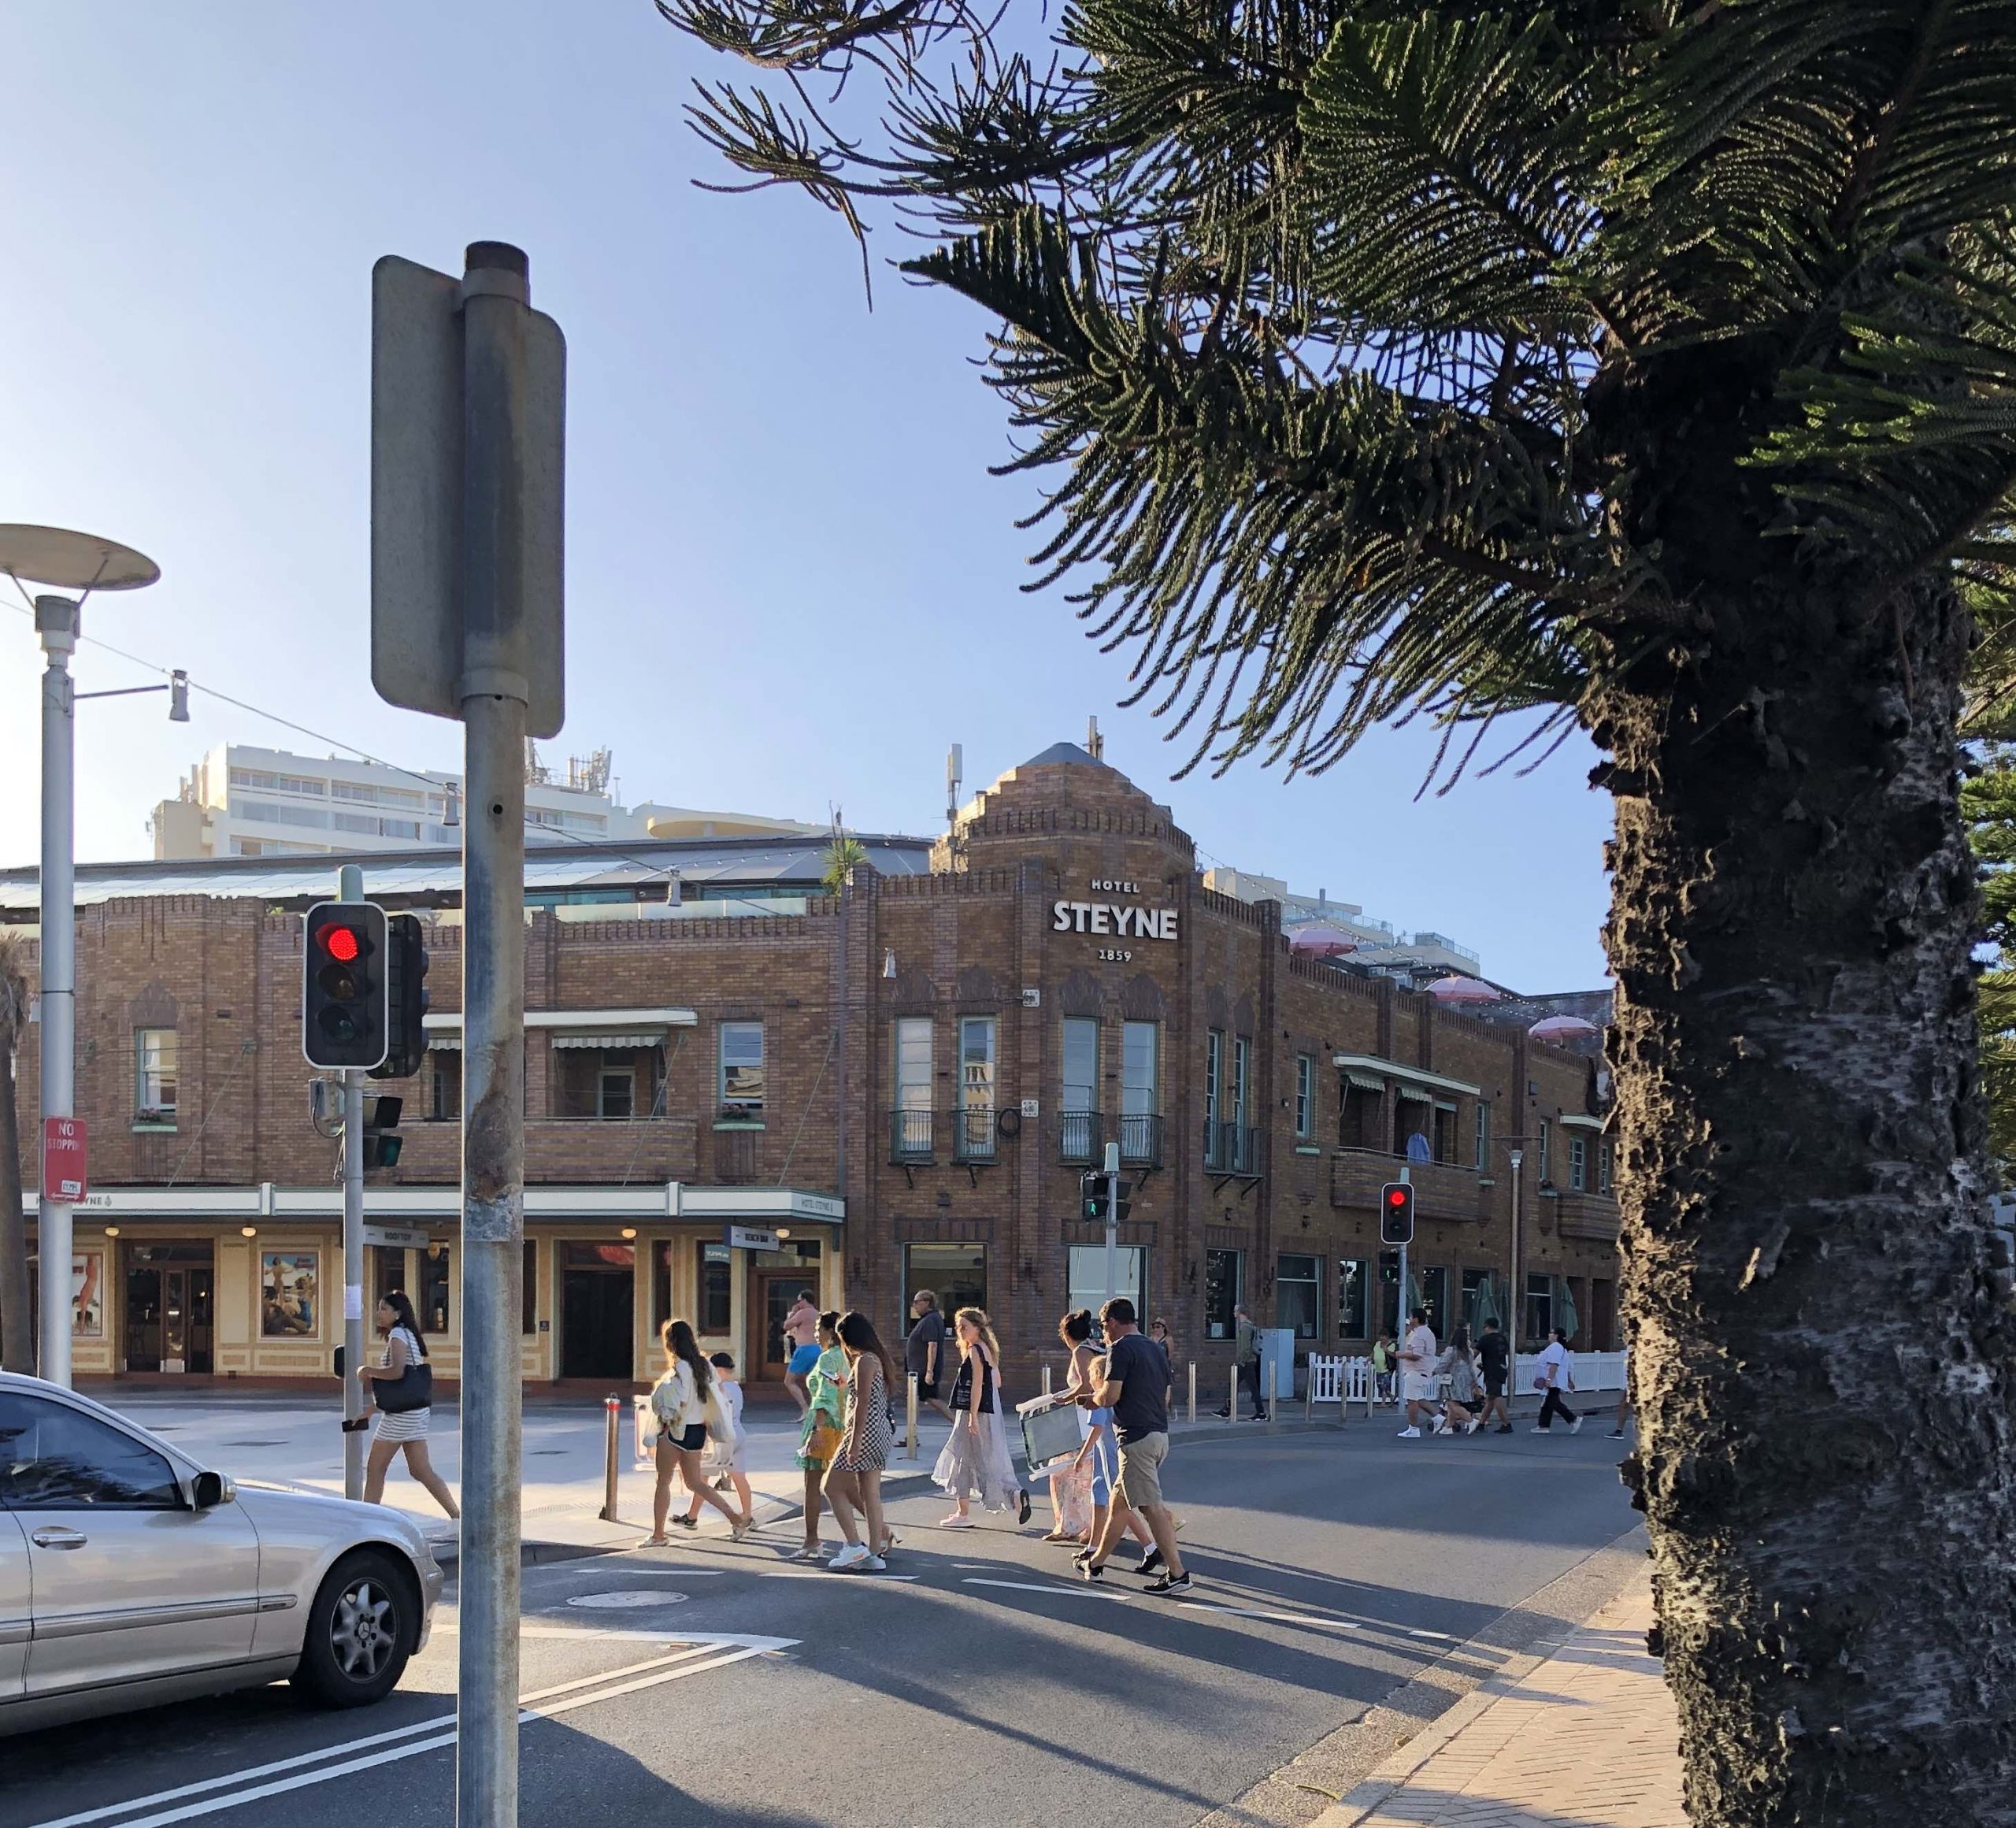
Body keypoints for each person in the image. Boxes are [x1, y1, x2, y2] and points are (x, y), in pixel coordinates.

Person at [1077, 1297, 1191, 1595]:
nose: (1103, 1333)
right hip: (1159, 1435)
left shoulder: (1121, 1348)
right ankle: (1096, 1563)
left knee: (1150, 1507)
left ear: (1113, 1322)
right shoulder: (1156, 1348)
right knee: (1118, 1506)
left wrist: (1093, 1399)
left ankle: (1178, 1574)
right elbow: (1165, 1396)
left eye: (1103, 1327)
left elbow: (1111, 1396)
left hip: (1136, 1438)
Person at [1054, 1309, 1155, 1560]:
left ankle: (1150, 1546)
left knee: (1118, 1499)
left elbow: (1097, 1427)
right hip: (1104, 1449)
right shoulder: (1097, 1349)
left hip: (1108, 1449)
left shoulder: (1099, 1397)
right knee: (1100, 1495)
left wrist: (1081, 1455)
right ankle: (1093, 1547)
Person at [644, 1318, 750, 1545]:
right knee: (696, 1482)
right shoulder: (705, 1365)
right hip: (698, 1430)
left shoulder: (680, 1367)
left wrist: (663, 1393)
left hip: (676, 1428)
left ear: (671, 1343)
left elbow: (678, 1401)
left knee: (663, 1481)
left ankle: (658, 1535)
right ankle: (736, 1519)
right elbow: (717, 1393)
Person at [355, 1291, 459, 1518]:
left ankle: (366, 1522)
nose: (379, 1313)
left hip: (401, 1415)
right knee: (421, 1469)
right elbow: (399, 1387)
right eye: (379, 1307)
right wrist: (373, 1409)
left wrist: (367, 1371)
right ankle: (458, 1517)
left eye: (384, 1309)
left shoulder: (398, 1335)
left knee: (376, 1468)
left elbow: (397, 1372)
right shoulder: (408, 1334)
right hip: (415, 1411)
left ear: (398, 1313)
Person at [933, 1307, 1032, 1526]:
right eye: (958, 1326)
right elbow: (997, 1381)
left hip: (974, 1411)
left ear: (977, 1328)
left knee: (963, 1456)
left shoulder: (975, 1351)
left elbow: (978, 1384)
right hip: (988, 1411)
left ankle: (963, 1513)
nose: (959, 1330)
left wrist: (973, 1417)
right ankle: (1013, 1495)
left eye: (964, 1326)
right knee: (984, 1456)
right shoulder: (987, 1349)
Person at [826, 1309, 897, 1569]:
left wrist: (854, 1443)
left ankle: (855, 1546)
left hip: (865, 1432)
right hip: (879, 1432)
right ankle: (875, 1554)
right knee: (870, 1494)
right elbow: (867, 1395)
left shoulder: (865, 1361)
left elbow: (862, 1404)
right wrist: (847, 1384)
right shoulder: (876, 1359)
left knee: (831, 1485)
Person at [786, 1311, 848, 1560]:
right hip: (843, 1425)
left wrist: (816, 1430)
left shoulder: (827, 1360)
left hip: (825, 1426)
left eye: (819, 1328)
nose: (815, 1333)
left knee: (813, 1485)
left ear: (830, 1332)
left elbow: (824, 1397)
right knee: (848, 1487)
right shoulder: (849, 1358)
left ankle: (812, 1539)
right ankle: (881, 1530)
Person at [686, 1352, 754, 1530]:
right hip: (739, 1434)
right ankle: (747, 1515)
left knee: (702, 1479)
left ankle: (692, 1517)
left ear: (718, 1369)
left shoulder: (718, 1389)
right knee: (739, 1476)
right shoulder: (736, 1387)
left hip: (723, 1438)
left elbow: (710, 1414)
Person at [905, 1289, 954, 1423]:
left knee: (932, 1398)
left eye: (917, 1302)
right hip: (918, 1371)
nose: (914, 1305)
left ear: (927, 1303)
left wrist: (929, 1371)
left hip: (924, 1370)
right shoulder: (927, 1319)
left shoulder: (930, 1320)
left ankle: (957, 1424)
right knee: (914, 1399)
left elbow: (932, 1345)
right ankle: (911, 1435)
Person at [1215, 1302, 1266, 1420]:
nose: (1234, 1313)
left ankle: (1260, 1412)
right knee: (1234, 1385)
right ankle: (1227, 1409)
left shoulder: (1245, 1327)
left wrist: (1241, 1361)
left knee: (1250, 1387)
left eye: (1235, 1311)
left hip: (1246, 1362)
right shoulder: (1248, 1326)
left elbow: (1245, 1347)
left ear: (1240, 1312)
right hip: (1247, 1361)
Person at [1396, 1307, 1438, 1438]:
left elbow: (1417, 1355)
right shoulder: (1427, 1332)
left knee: (1412, 1400)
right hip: (1423, 1371)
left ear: (1416, 1319)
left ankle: (1413, 1429)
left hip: (1416, 1371)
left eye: (1411, 1317)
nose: (1409, 1320)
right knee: (1418, 1398)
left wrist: (1402, 1354)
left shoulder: (1419, 1335)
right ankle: (1438, 1418)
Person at [1432, 1326, 1482, 1436]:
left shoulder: (1451, 1350)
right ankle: (1449, 1427)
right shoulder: (1468, 1351)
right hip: (1465, 1379)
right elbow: (1471, 1367)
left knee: (1451, 1402)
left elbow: (1444, 1364)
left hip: (1452, 1379)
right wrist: (1475, 1382)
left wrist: (1434, 1372)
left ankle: (1470, 1421)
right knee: (1453, 1404)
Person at [1532, 1326, 1583, 1433]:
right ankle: (1543, 1425)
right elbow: (1567, 1367)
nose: (1549, 1335)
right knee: (1548, 1402)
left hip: (1554, 1380)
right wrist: (1569, 1381)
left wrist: (1549, 1378)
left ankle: (1573, 1419)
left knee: (1553, 1402)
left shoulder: (1555, 1347)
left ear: (1556, 1336)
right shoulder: (1561, 1349)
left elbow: (1554, 1364)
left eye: (1551, 1333)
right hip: (1557, 1380)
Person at [782, 1290, 821, 1415]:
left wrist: (793, 1312)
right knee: (812, 1380)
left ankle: (805, 1409)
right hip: (817, 1349)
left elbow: (786, 1326)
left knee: (789, 1381)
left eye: (799, 1301)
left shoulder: (802, 1313)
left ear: (805, 1300)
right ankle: (816, 1409)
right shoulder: (817, 1313)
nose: (798, 1304)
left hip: (804, 1349)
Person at [1476, 1318, 1514, 1433]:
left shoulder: (1485, 1339)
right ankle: (1481, 1424)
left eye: (1484, 1327)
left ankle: (1506, 1424)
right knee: (1490, 1399)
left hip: (1491, 1371)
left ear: (1487, 1326)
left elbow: (1475, 1353)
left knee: (1497, 1396)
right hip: (1501, 1369)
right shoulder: (1502, 1339)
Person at [1372, 1334, 1395, 1406]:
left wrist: (1386, 1350)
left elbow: (1394, 1355)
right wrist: (1369, 1359)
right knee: (1379, 1385)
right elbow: (1373, 1352)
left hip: (1386, 1368)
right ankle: (1392, 1396)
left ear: (1387, 1337)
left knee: (1384, 1385)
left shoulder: (1391, 1345)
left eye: (1384, 1336)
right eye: (1381, 1336)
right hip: (1378, 1368)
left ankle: (1383, 1402)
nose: (1382, 1338)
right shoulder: (1377, 1344)